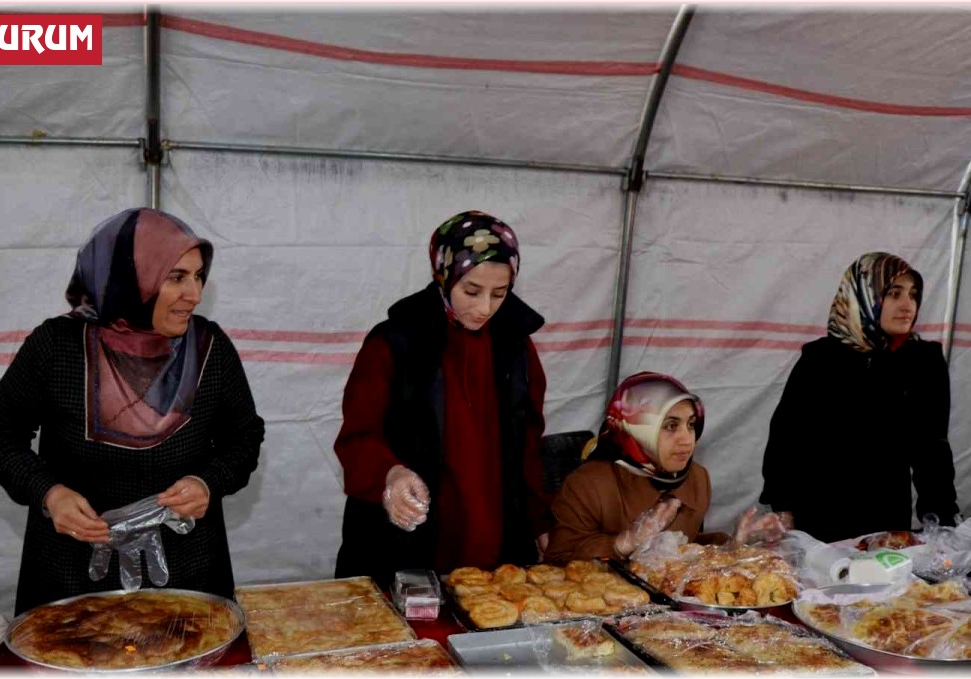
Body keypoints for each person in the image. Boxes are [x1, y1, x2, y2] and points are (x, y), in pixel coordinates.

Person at [0, 208, 265, 614]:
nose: (195, 294)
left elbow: (244, 437)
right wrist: (49, 494)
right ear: (133, 277)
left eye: (199, 276)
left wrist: (208, 481)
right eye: (177, 277)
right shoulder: (57, 347)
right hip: (73, 574)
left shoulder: (211, 349)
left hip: (187, 573)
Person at [334, 210, 550, 587]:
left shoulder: (516, 346)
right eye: (471, 291)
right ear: (443, 274)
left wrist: (538, 519)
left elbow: (528, 442)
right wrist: (391, 474)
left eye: (499, 294)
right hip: (409, 544)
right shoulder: (394, 343)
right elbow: (358, 437)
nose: (484, 308)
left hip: (496, 540)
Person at [759, 251, 960, 544]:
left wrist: (941, 522)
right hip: (819, 517)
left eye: (913, 295)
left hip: (885, 518)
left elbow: (932, 449)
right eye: (894, 294)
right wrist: (784, 507)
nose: (908, 306)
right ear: (864, 295)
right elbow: (786, 439)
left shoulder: (923, 362)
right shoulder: (820, 359)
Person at [545, 372, 781, 562]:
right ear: (635, 427)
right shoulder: (588, 484)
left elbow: (683, 549)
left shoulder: (697, 478)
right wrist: (623, 543)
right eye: (670, 426)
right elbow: (557, 561)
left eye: (690, 425)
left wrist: (733, 545)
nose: (687, 439)